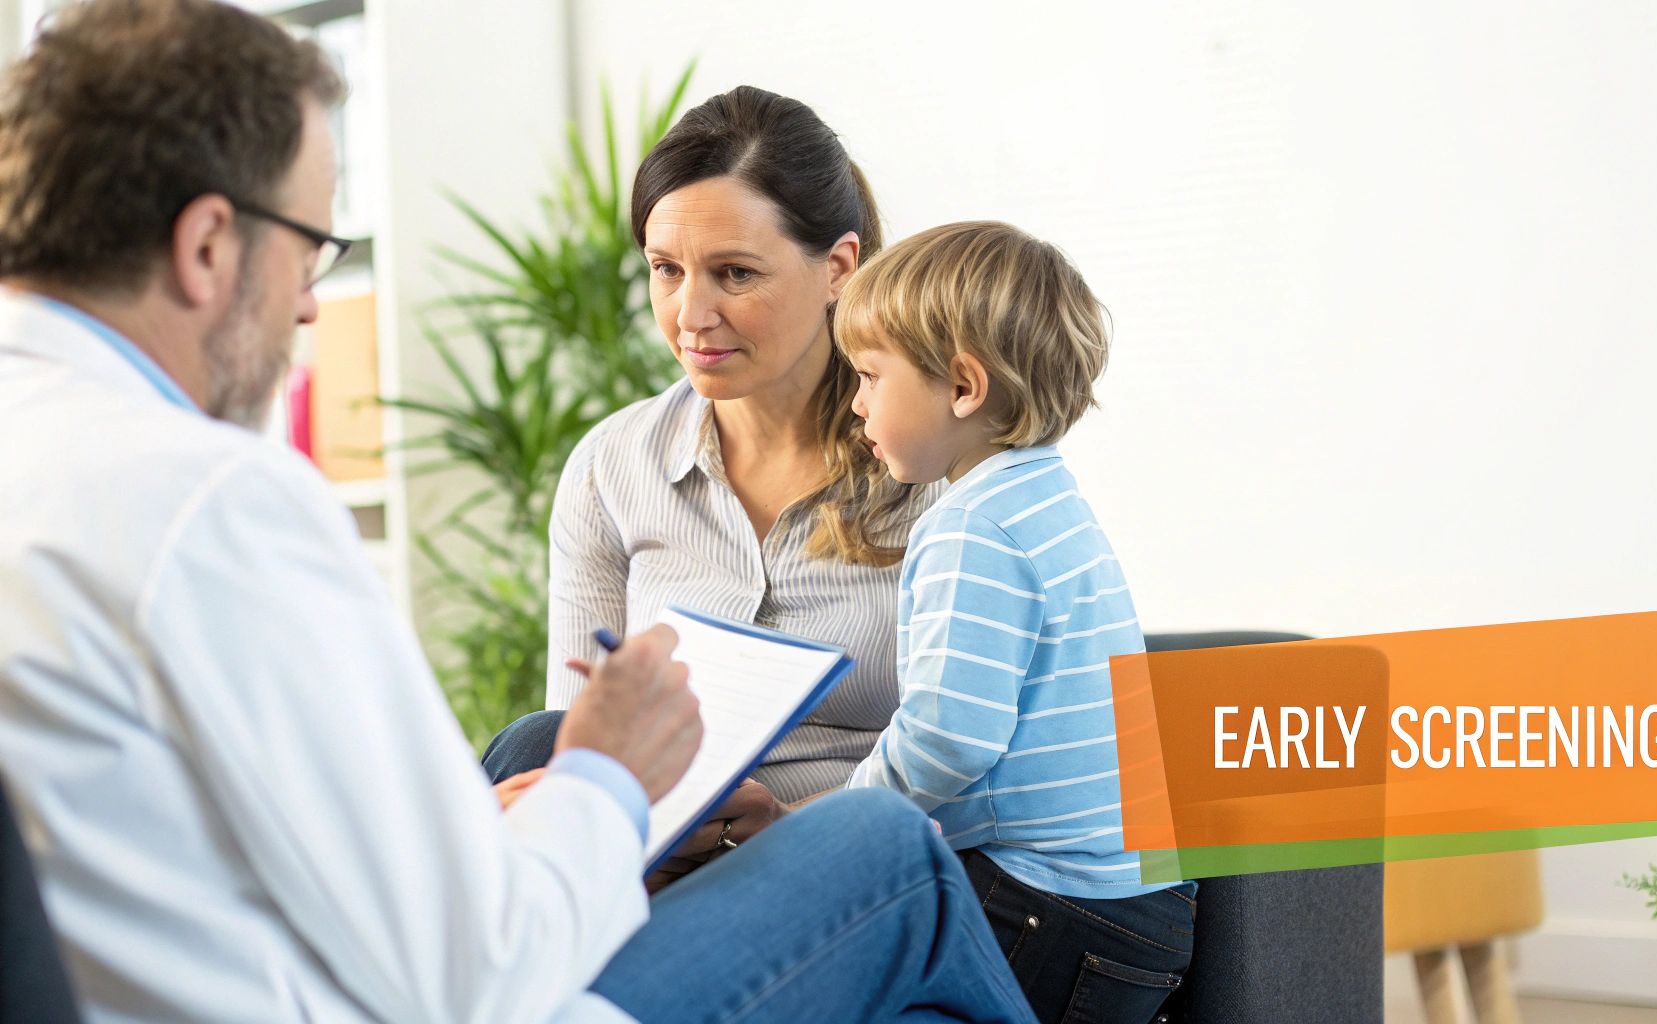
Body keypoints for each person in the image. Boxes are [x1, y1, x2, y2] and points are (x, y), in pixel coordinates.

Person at [0, 3, 1033, 1022]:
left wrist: (552, 812)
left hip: (742, 861)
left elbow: (1037, 733)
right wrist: (594, 782)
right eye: (313, 248)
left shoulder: (957, 461)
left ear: (837, 268)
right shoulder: (213, 501)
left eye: (734, 274)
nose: (312, 303)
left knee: (868, 843)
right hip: (535, 941)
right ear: (209, 247)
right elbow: (473, 964)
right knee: (851, 845)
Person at [484, 85, 938, 885]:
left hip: (851, 867)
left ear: (838, 267)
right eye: (666, 270)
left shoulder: (939, 463)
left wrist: (781, 829)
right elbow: (579, 727)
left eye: (733, 273)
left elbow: (980, 763)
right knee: (532, 746)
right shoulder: (611, 467)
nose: (690, 315)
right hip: (658, 855)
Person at [836, 221, 1198, 1022]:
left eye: (867, 376)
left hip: (1052, 902)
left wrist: (844, 820)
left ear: (963, 387)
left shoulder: (972, 525)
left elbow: (950, 736)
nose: (856, 404)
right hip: (1136, 904)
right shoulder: (1044, 496)